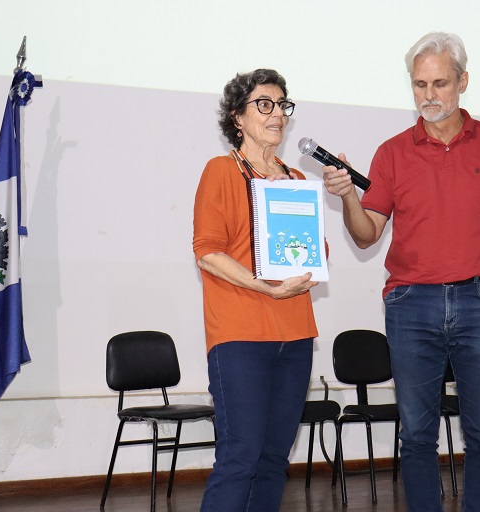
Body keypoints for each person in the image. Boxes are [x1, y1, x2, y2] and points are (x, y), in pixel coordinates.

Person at [322, 32, 480, 512]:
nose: (428, 95)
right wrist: (347, 197)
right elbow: (366, 235)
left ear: (463, 82)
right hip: (411, 304)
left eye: (440, 83)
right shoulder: (391, 152)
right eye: (419, 84)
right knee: (417, 435)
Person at [193, 68, 319, 512]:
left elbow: (315, 254)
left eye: (282, 105)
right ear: (237, 117)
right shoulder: (221, 171)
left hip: (295, 334)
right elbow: (208, 252)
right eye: (264, 104)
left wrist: (294, 209)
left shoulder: (296, 179)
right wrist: (265, 287)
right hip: (240, 334)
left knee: (273, 460)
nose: (277, 114)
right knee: (240, 457)